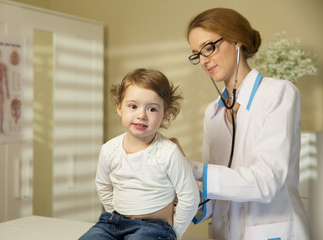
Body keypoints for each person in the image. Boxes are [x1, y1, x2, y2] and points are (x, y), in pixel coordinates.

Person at [174, 7, 311, 240]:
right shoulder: (213, 112)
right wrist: (178, 188)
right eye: (197, 54)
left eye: (209, 47)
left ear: (236, 40)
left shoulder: (279, 93)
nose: (204, 61)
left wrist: (192, 168)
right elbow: (216, 199)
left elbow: (266, 181)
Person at [78, 68, 199, 240]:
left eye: (152, 109)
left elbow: (190, 197)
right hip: (113, 222)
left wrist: (174, 232)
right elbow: (103, 186)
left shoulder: (168, 152)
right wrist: (114, 212)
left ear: (165, 115)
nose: (141, 115)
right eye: (133, 106)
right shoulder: (109, 150)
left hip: (154, 226)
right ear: (120, 108)